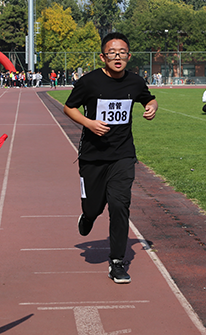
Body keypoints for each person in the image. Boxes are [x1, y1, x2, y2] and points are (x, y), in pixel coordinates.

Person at [63, 32, 158, 284]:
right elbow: (68, 107)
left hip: (122, 156)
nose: (118, 56)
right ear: (103, 56)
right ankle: (88, 215)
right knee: (94, 205)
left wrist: (151, 107)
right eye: (112, 52)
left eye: (122, 52)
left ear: (129, 55)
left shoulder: (135, 82)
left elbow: (149, 98)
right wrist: (89, 123)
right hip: (92, 157)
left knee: (119, 205)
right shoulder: (89, 82)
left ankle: (117, 261)